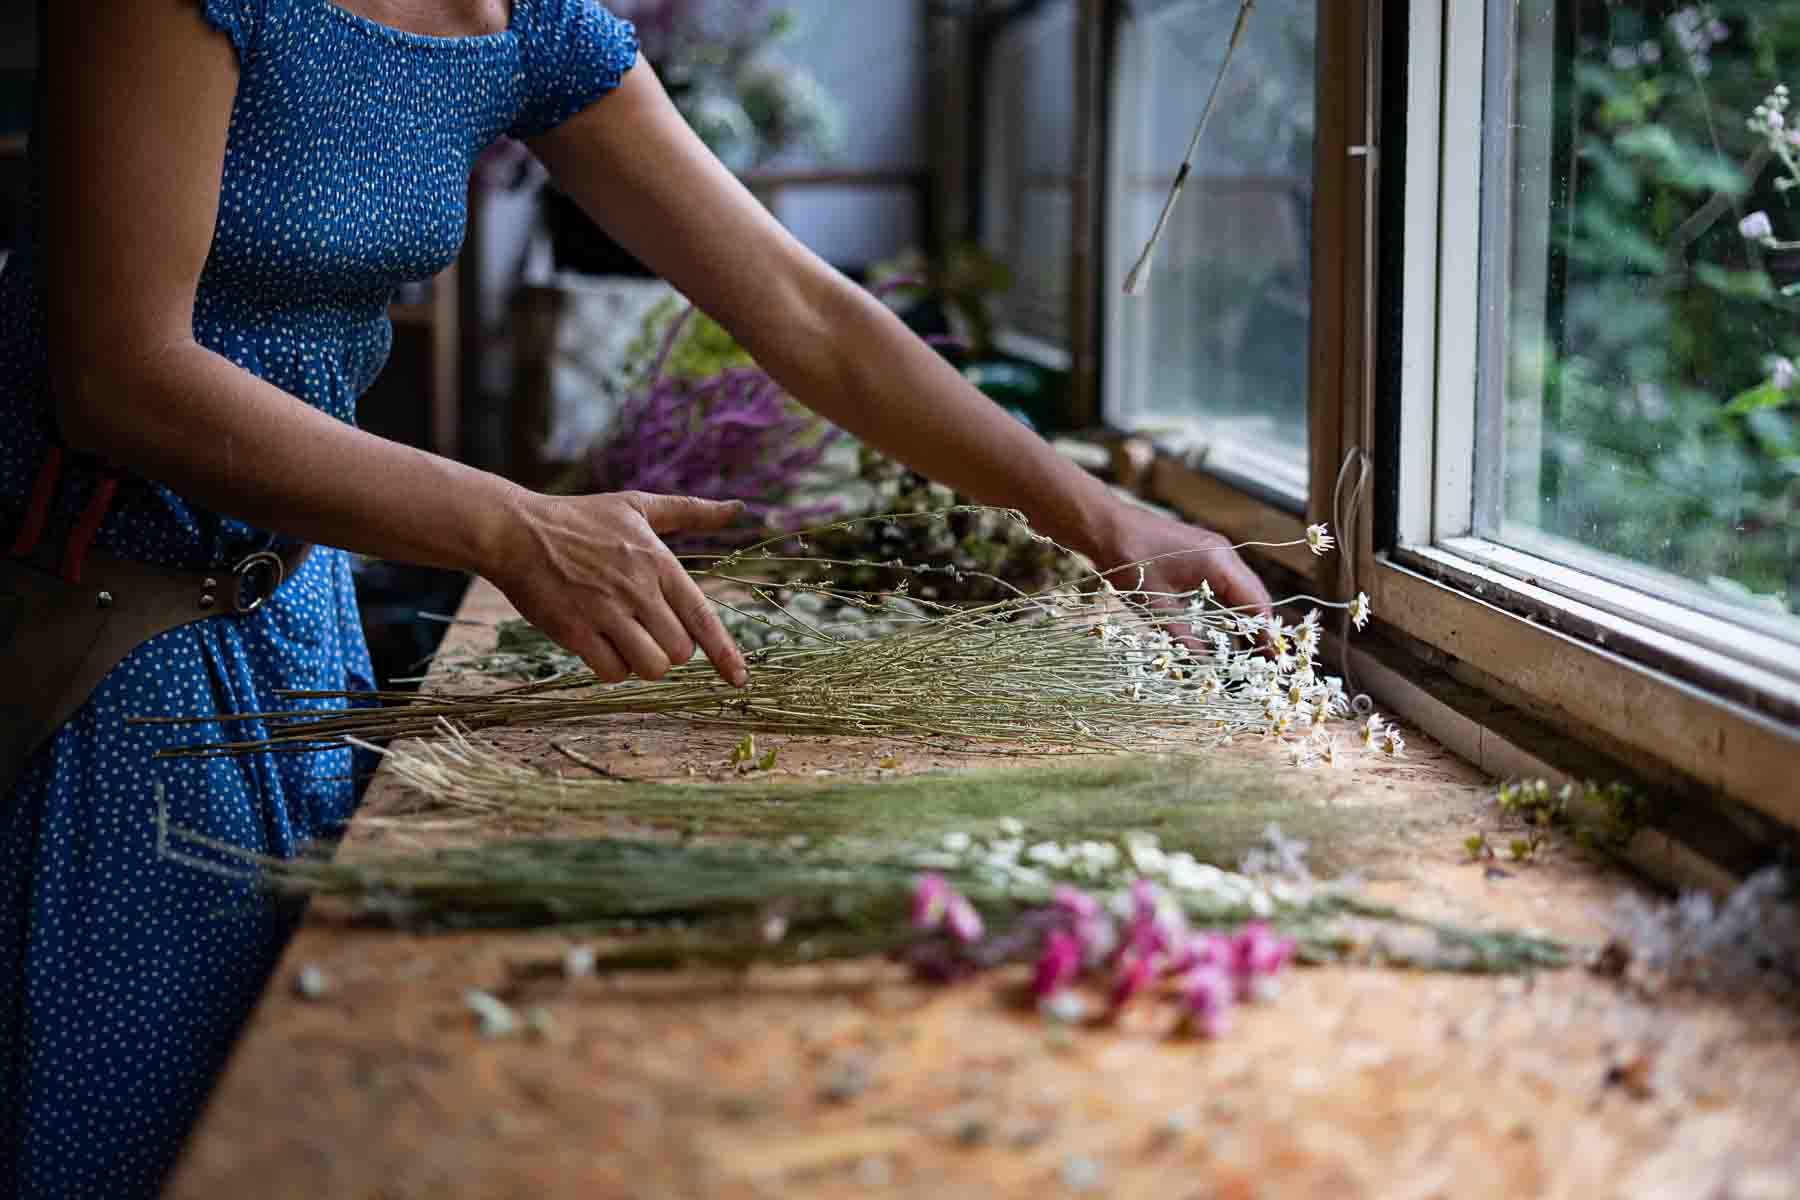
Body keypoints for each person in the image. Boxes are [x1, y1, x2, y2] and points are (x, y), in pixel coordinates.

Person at [0, 1, 1274, 1195]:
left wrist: (1102, 521)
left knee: (280, 1101)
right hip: (111, 618)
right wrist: (515, 525)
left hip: (296, 605)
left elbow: (804, 310)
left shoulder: (527, 24)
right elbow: (125, 377)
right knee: (131, 1123)